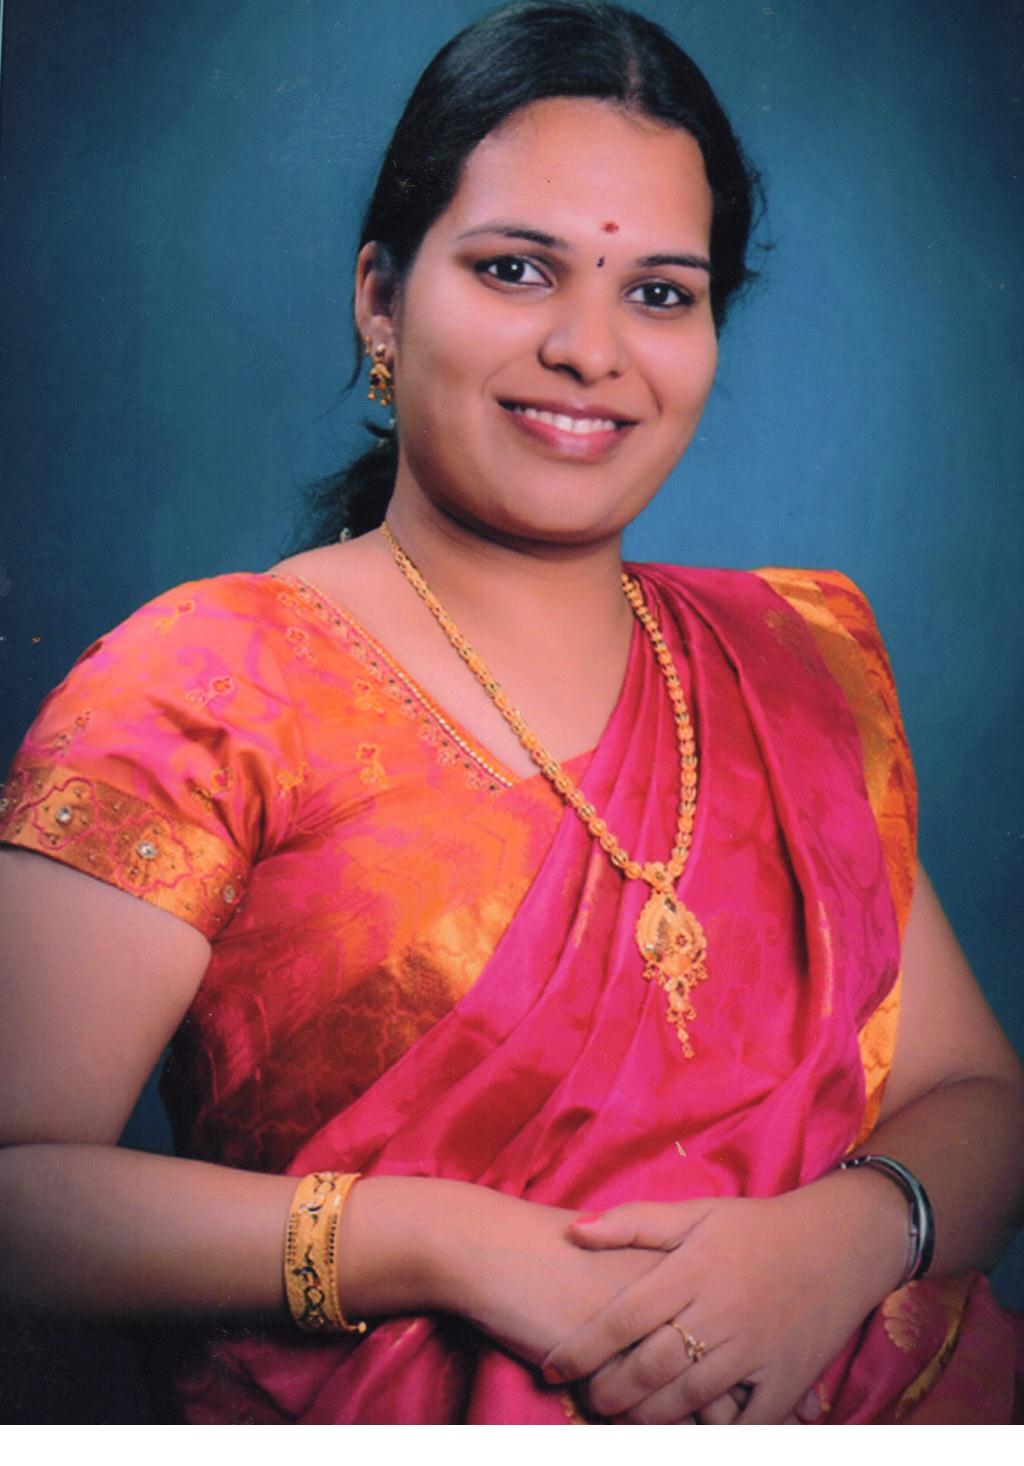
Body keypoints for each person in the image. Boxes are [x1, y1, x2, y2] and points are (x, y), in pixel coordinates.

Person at [1, 0, 1022, 1427]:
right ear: (381, 299)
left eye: (659, 292)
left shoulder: (786, 667)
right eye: (516, 269)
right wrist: (443, 1241)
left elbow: (980, 1096)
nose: (591, 349)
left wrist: (841, 1241)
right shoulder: (208, 686)